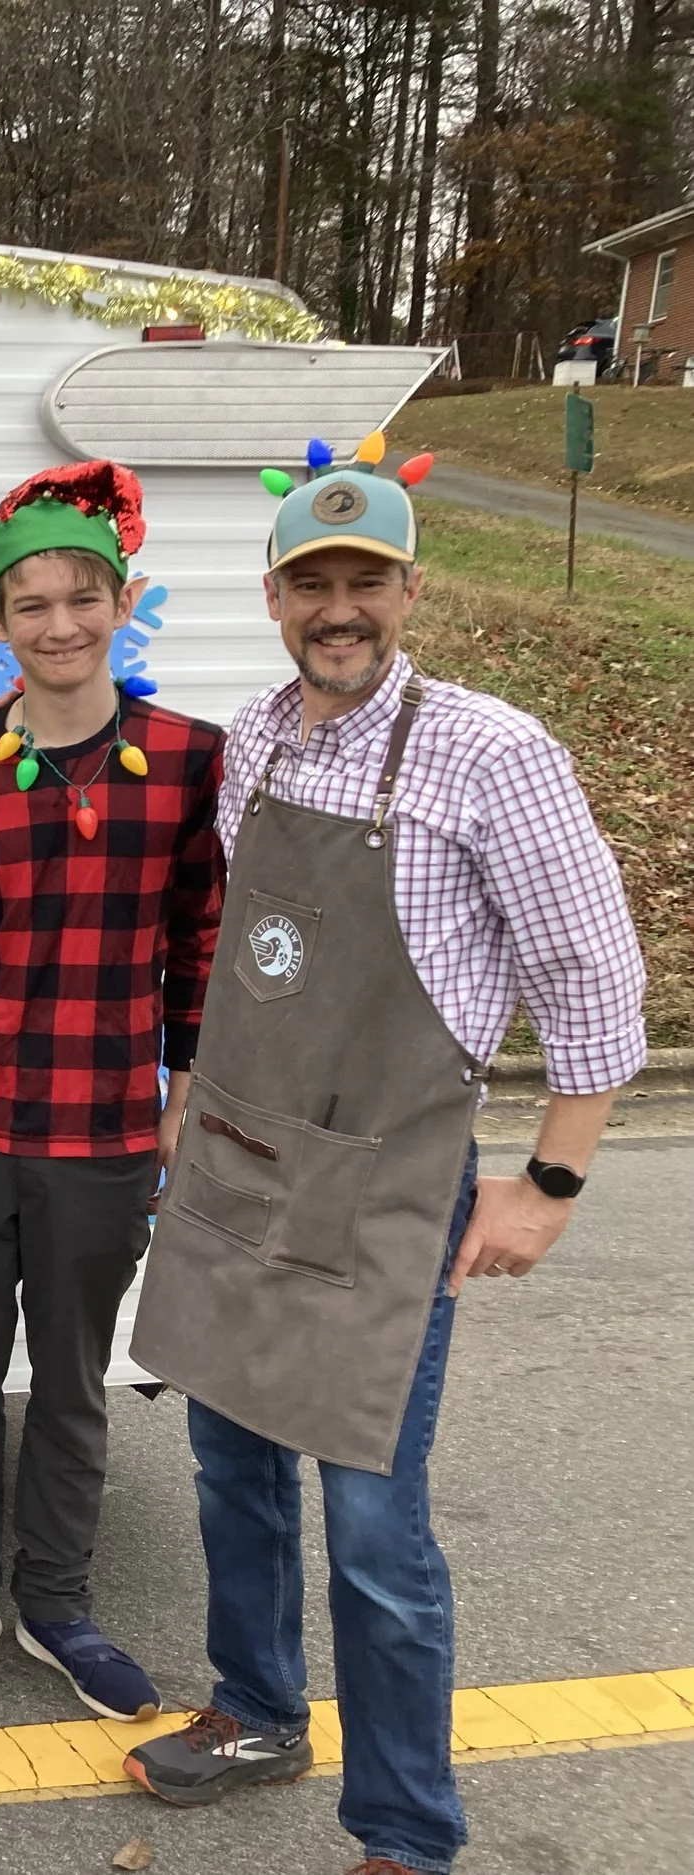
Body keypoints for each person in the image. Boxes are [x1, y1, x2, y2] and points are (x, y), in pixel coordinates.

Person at [125, 436, 646, 1875]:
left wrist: (549, 1177)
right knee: (229, 1462)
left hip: (390, 1179)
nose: (338, 608)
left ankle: (407, 1828)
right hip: (239, 1155)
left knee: (372, 1518)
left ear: (411, 587)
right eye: (313, 582)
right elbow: (255, 957)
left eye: (366, 580)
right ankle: (256, 1707)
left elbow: (594, 974)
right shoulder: (255, 741)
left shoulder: (494, 753)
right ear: (275, 594)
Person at [0, 464, 224, 1722]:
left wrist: (183, 1086)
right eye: (31, 604)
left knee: (71, 1380)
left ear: (119, 603)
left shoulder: (188, 761)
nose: (59, 625)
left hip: (104, 1129)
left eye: (82, 598)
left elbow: (200, 938)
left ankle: (59, 1601)